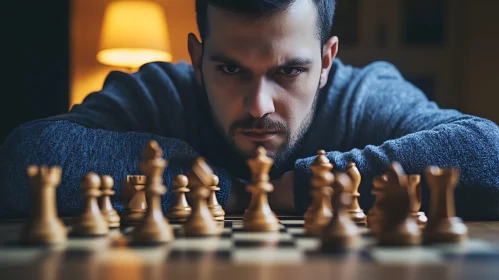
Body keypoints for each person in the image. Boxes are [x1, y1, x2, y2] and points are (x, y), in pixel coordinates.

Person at [1, 0, 498, 220]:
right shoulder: (161, 92)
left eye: (288, 72)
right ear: (196, 58)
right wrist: (217, 188)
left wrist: (300, 186)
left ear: (327, 61)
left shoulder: (364, 96)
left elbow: (489, 154)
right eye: (232, 70)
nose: (259, 107)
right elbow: (22, 156)